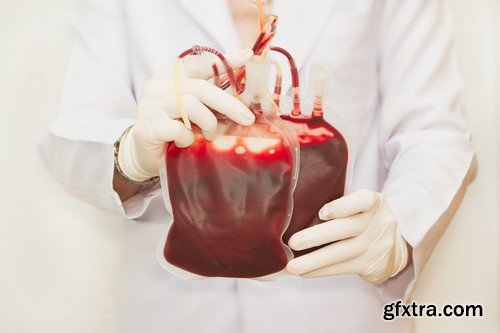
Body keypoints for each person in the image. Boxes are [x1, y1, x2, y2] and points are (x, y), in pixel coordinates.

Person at [39, 0, 475, 332]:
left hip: (337, 310)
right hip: (173, 312)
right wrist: (131, 153)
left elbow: (435, 134)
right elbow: (70, 134)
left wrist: (400, 227)